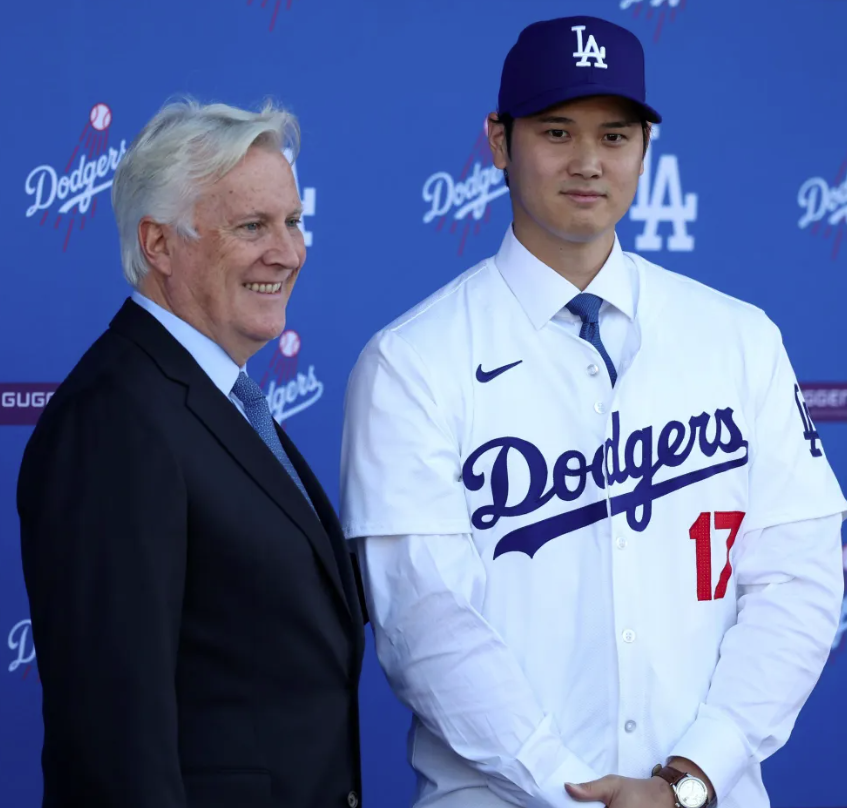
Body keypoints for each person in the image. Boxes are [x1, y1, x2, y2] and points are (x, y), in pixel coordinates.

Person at [340, 15, 845, 808]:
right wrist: (575, 791)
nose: (586, 163)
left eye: (613, 136)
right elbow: (423, 622)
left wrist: (688, 777)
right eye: (554, 131)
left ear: (644, 148)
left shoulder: (739, 337)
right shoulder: (411, 362)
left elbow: (801, 581)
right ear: (498, 142)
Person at [18, 99, 365, 808]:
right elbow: (112, 742)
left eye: (294, 223)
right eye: (251, 227)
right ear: (158, 245)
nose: (289, 251)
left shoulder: (215, 399)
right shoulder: (115, 420)